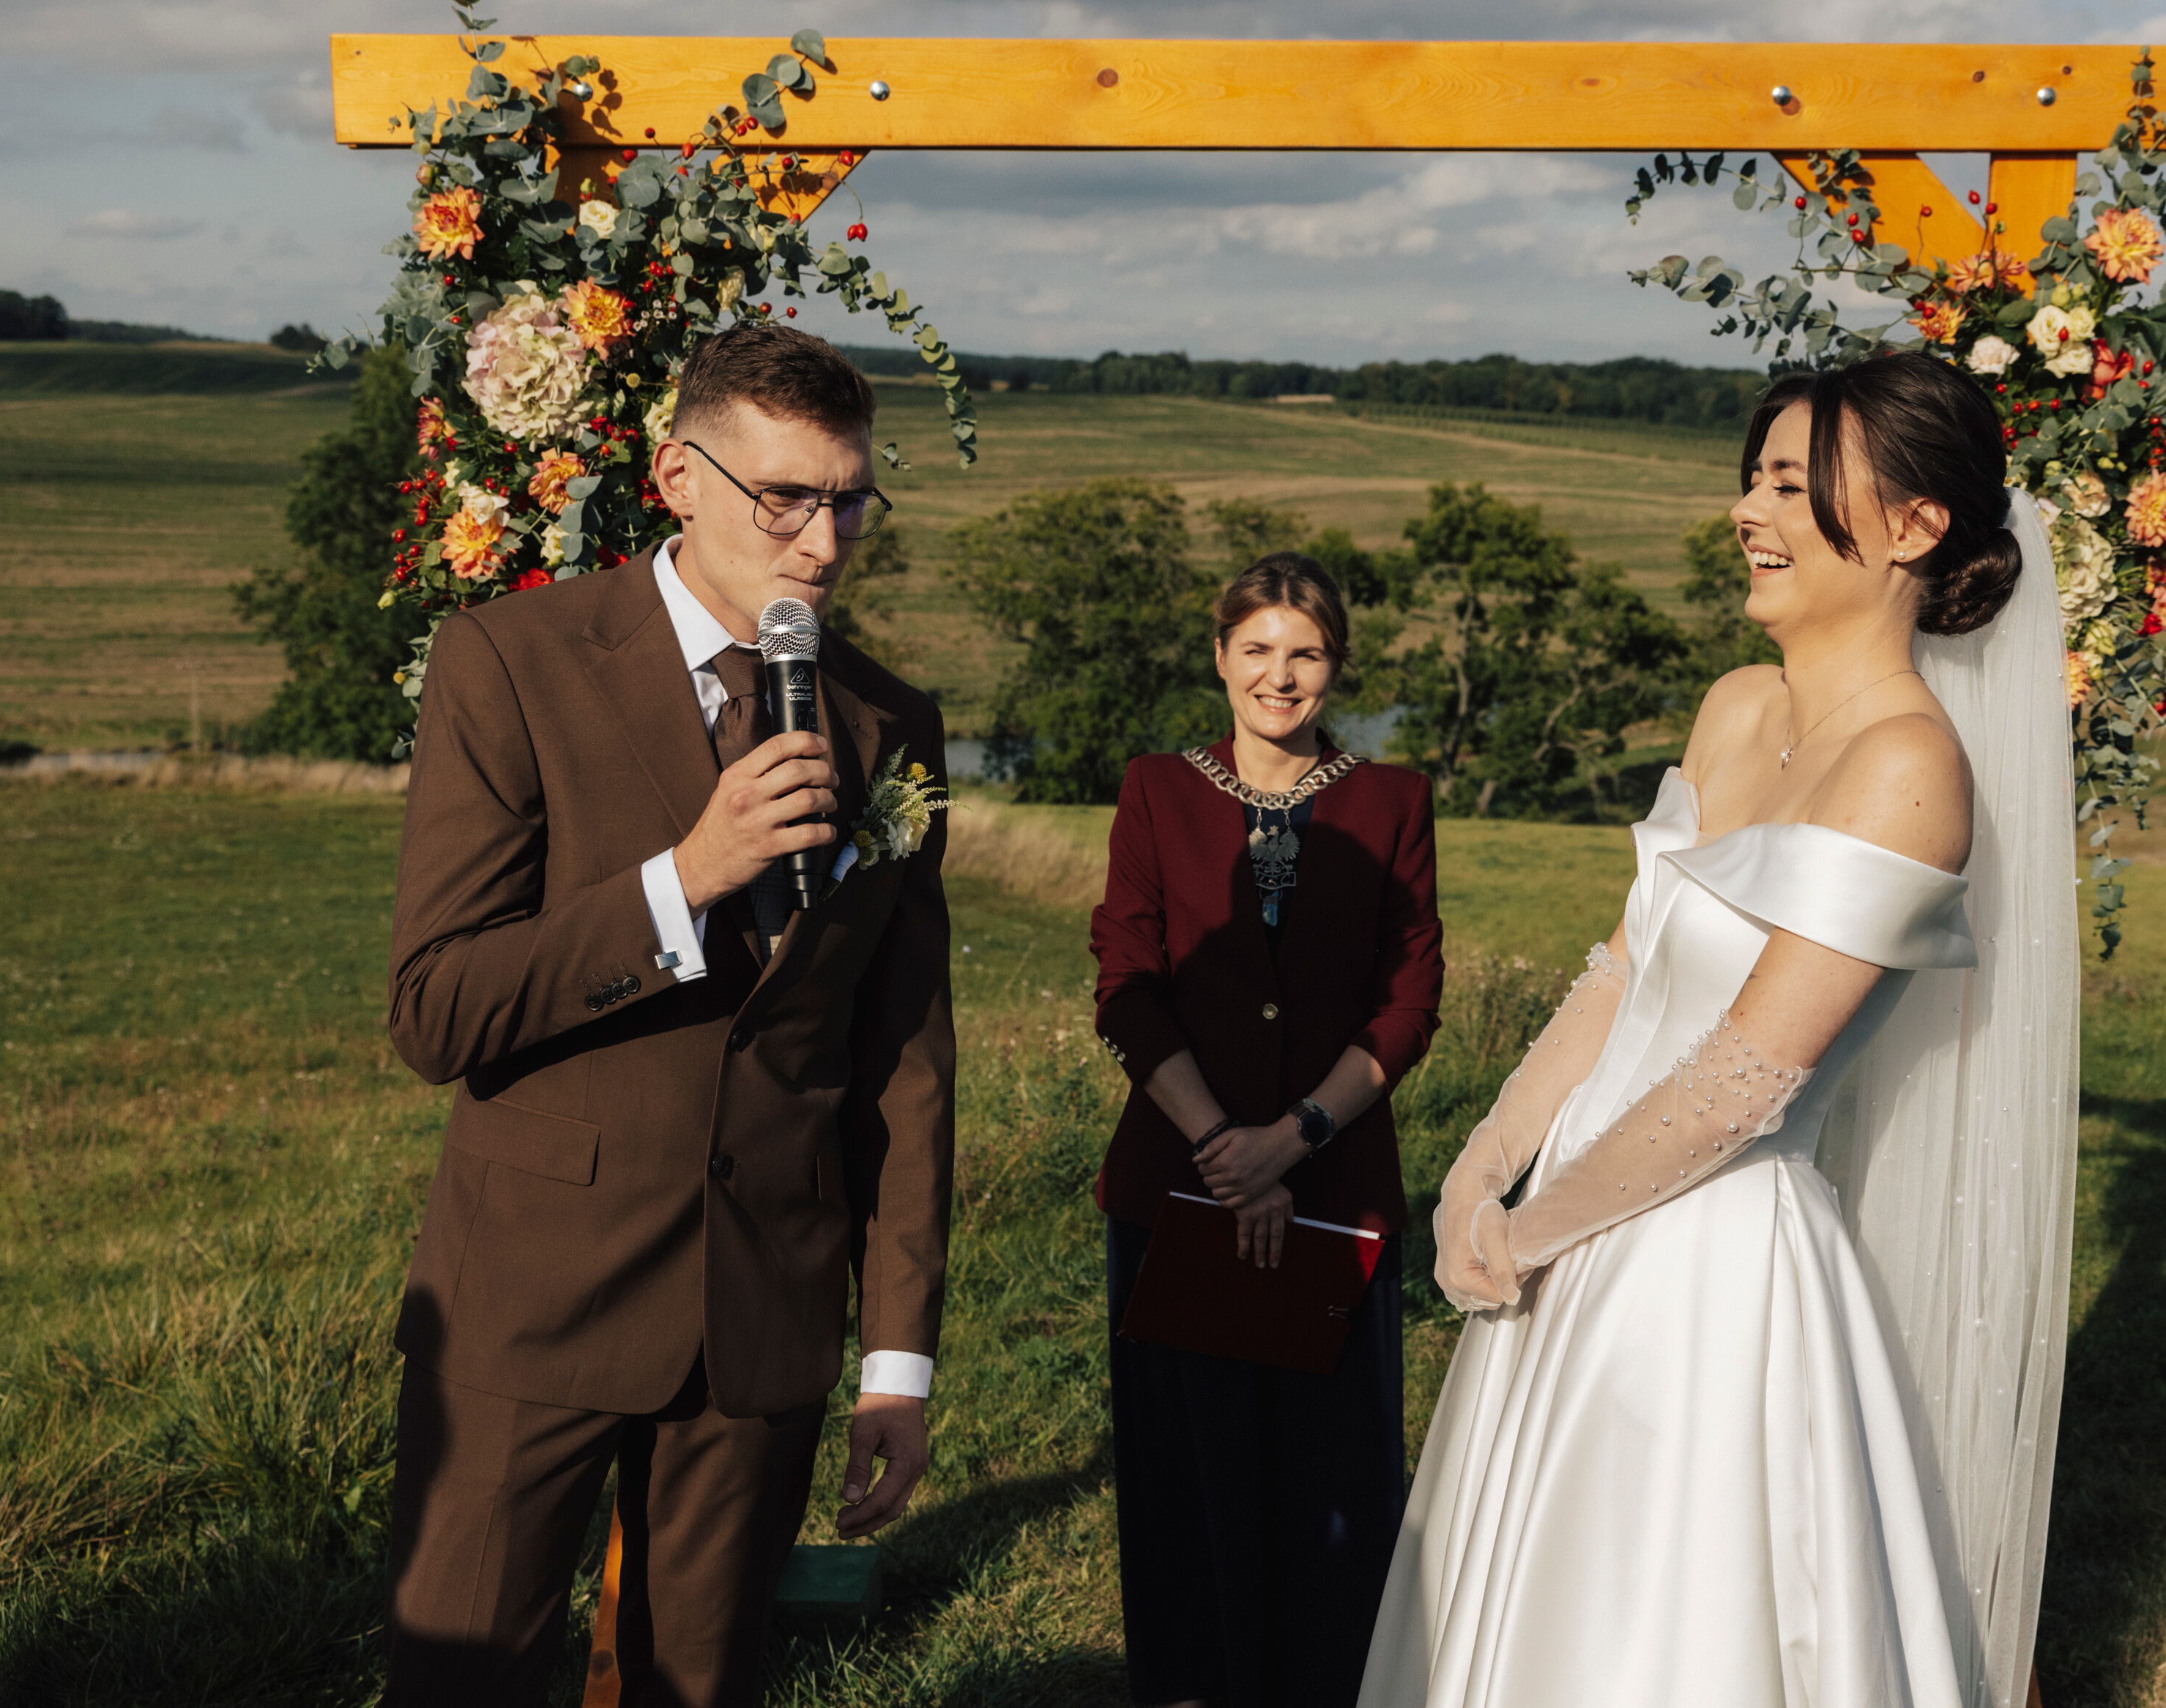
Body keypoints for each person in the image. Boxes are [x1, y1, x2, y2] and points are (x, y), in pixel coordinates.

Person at [1362, 351, 2079, 1708]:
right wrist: (1482, 1168)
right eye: (1752, 478)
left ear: (1915, 526)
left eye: (1792, 485)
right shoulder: (1737, 704)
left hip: (1704, 1271)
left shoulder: (1910, 767)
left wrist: (1537, 1225)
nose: (1748, 509)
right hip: (1571, 1226)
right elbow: (1623, 970)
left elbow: (1746, 1076)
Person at [381, 324, 955, 1705]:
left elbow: (902, 1061)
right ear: (677, 478)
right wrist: (684, 879)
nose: (822, 543)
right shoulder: (511, 660)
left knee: (699, 1686)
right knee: (466, 1679)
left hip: (761, 1317)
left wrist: (896, 1358)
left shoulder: (887, 722)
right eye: (785, 498)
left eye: (850, 502)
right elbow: (436, 1007)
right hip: (535, 1296)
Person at [1088, 553, 1446, 1708]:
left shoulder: (1394, 801)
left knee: (1330, 1489)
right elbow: (1126, 981)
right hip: (1176, 1190)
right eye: (1257, 650)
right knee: (1189, 1484)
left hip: (1333, 1191)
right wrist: (1224, 1151)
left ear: (1337, 664)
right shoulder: (1157, 789)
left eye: (1306, 653)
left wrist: (1290, 1140)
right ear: (1220, 655)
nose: (1279, 677)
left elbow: (1410, 998)